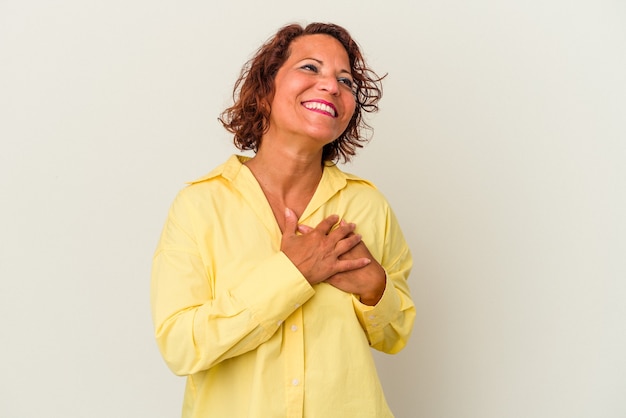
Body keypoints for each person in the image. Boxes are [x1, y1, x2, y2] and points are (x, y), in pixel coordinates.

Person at [151, 22, 415, 418]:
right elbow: (181, 346)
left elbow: (395, 335)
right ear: (266, 88)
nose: (332, 86)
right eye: (311, 68)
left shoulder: (368, 206)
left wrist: (375, 287)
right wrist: (291, 274)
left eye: (345, 80)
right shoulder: (200, 205)